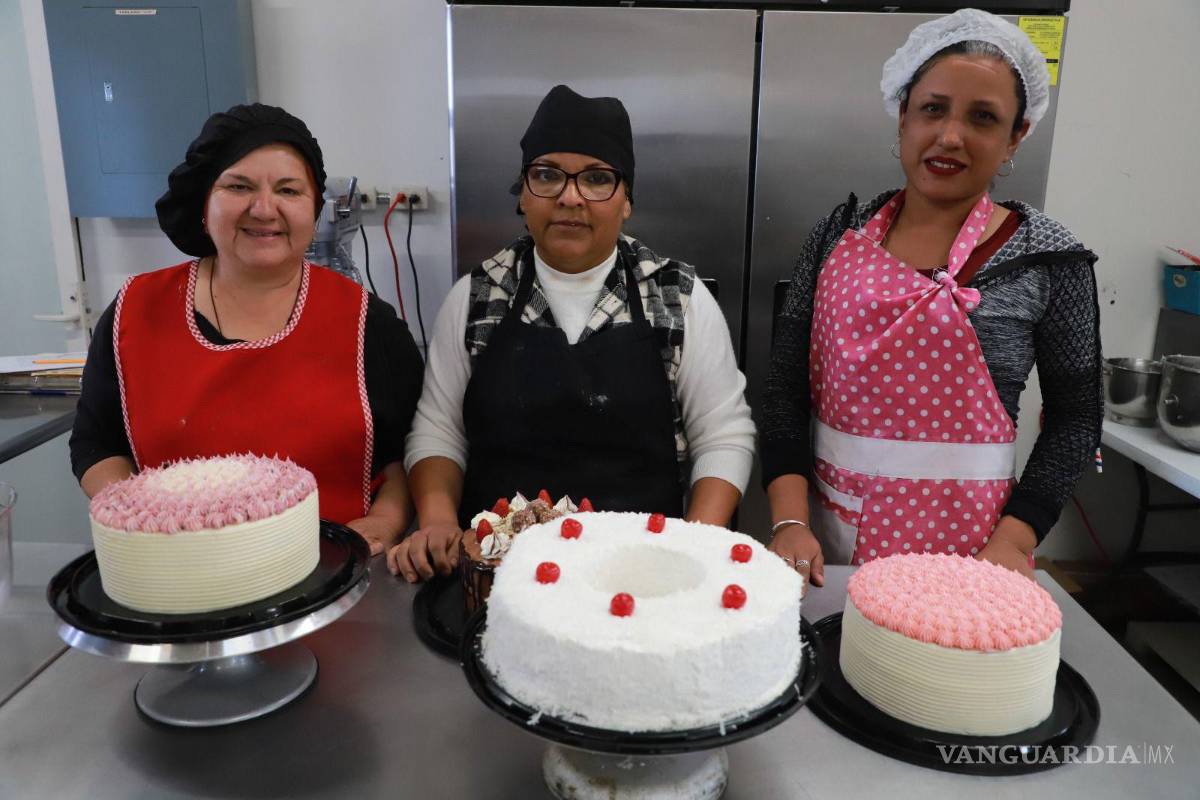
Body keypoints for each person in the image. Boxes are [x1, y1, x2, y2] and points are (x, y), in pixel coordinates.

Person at [761, 9, 1102, 587]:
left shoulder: (1048, 257)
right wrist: (789, 521)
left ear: (1016, 136)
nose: (949, 136)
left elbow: (1076, 419)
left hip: (975, 560)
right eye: (933, 109)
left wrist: (1014, 540)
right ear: (903, 115)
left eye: (983, 117)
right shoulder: (836, 237)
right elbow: (785, 393)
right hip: (828, 550)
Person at [388, 85, 755, 582]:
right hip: (498, 575)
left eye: (597, 179)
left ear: (627, 200)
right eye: (547, 175)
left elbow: (723, 435)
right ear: (523, 194)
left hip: (641, 576)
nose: (570, 197)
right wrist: (436, 519)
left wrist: (694, 544)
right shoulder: (477, 296)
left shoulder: (676, 297)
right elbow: (438, 429)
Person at [69, 103, 424, 555]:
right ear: (203, 204)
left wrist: (385, 521)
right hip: (176, 572)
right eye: (239, 186)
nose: (264, 208)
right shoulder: (134, 312)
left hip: (333, 572)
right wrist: (141, 521)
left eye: (289, 190)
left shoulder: (368, 324)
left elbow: (407, 451)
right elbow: (97, 443)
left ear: (314, 209)